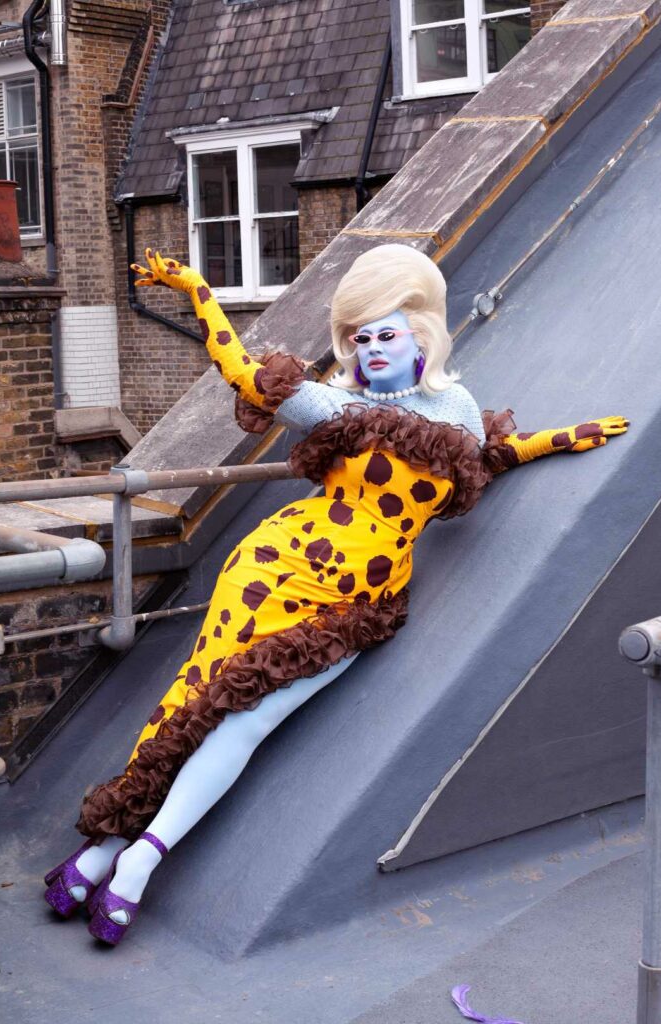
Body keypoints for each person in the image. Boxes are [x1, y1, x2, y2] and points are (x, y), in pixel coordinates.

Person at [44, 245, 628, 944]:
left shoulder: (459, 409)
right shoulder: (337, 405)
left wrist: (557, 440)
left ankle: (129, 857)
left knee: (247, 721)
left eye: (387, 332)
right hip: (274, 570)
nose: (373, 346)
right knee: (194, 698)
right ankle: (113, 851)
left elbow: (481, 462)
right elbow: (239, 369)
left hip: (356, 605)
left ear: (421, 333)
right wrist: (196, 287)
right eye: (360, 336)